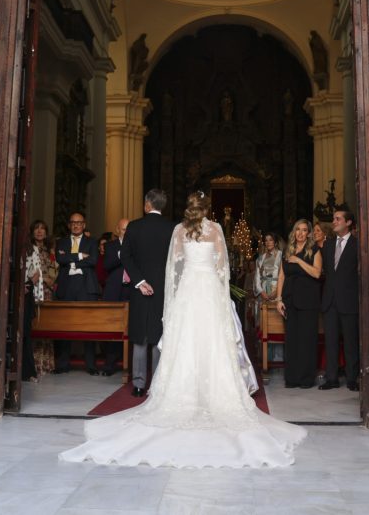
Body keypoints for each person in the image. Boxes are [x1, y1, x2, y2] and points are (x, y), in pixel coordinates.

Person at [59, 192, 307, 468]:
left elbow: (174, 267)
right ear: (206, 209)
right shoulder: (215, 229)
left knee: (187, 341)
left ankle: (181, 393)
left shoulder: (179, 230)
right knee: (211, 342)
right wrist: (223, 298)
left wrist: (174, 299)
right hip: (210, 290)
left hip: (189, 290)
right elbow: (222, 267)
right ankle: (215, 394)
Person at [120, 189, 174, 397]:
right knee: (159, 335)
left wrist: (140, 281)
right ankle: (158, 383)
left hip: (140, 289)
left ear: (147, 205)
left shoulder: (134, 226)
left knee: (140, 336)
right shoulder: (172, 228)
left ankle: (139, 384)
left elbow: (125, 256)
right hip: (163, 289)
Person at [276, 219, 322, 389]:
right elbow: (281, 276)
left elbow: (317, 274)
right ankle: (292, 378)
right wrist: (279, 299)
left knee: (307, 340)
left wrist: (299, 261)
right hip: (289, 300)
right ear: (294, 232)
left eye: (304, 230)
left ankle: (306, 379)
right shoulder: (286, 251)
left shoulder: (314, 250)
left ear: (308, 233)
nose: (300, 233)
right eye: (298, 230)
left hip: (309, 300)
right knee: (292, 340)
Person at [53, 211, 101, 375]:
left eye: (79, 222)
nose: (76, 225)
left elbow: (93, 260)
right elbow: (60, 260)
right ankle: (63, 363)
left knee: (88, 326)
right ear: (69, 225)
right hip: (67, 286)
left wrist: (70, 259)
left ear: (84, 225)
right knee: (65, 325)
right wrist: (80, 255)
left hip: (86, 287)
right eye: (73, 222)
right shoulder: (61, 242)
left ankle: (90, 364)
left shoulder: (92, 242)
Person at [319, 208, 360, 391]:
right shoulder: (327, 245)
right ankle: (332, 378)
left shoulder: (358, 245)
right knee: (331, 341)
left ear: (348, 222)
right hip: (329, 301)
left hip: (349, 300)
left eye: (338, 219)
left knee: (351, 341)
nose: (334, 221)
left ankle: (352, 379)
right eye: (334, 219)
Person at [22, 219, 57, 380]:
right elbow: (28, 269)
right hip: (34, 289)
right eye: (36, 229)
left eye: (42, 229)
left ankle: (46, 363)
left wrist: (50, 279)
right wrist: (39, 279)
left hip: (47, 291)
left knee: (47, 325)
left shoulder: (50, 248)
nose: (39, 231)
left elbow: (55, 266)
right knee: (34, 324)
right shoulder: (28, 248)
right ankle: (33, 363)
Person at [99, 219, 129, 376]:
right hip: (114, 291)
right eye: (123, 229)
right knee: (112, 328)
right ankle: (109, 364)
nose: (126, 232)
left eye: (128, 229)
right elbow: (106, 266)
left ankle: (129, 363)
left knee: (130, 329)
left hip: (131, 290)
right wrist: (121, 255)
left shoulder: (136, 245)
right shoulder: (110, 246)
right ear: (118, 230)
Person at [255, 231, 285, 366]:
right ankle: (265, 357)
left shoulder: (281, 255)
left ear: (276, 242)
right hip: (264, 292)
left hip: (276, 290)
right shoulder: (260, 258)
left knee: (276, 323)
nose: (268, 243)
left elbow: (282, 275)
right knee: (263, 323)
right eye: (266, 240)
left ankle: (278, 358)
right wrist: (261, 291)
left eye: (271, 240)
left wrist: (276, 291)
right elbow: (256, 276)